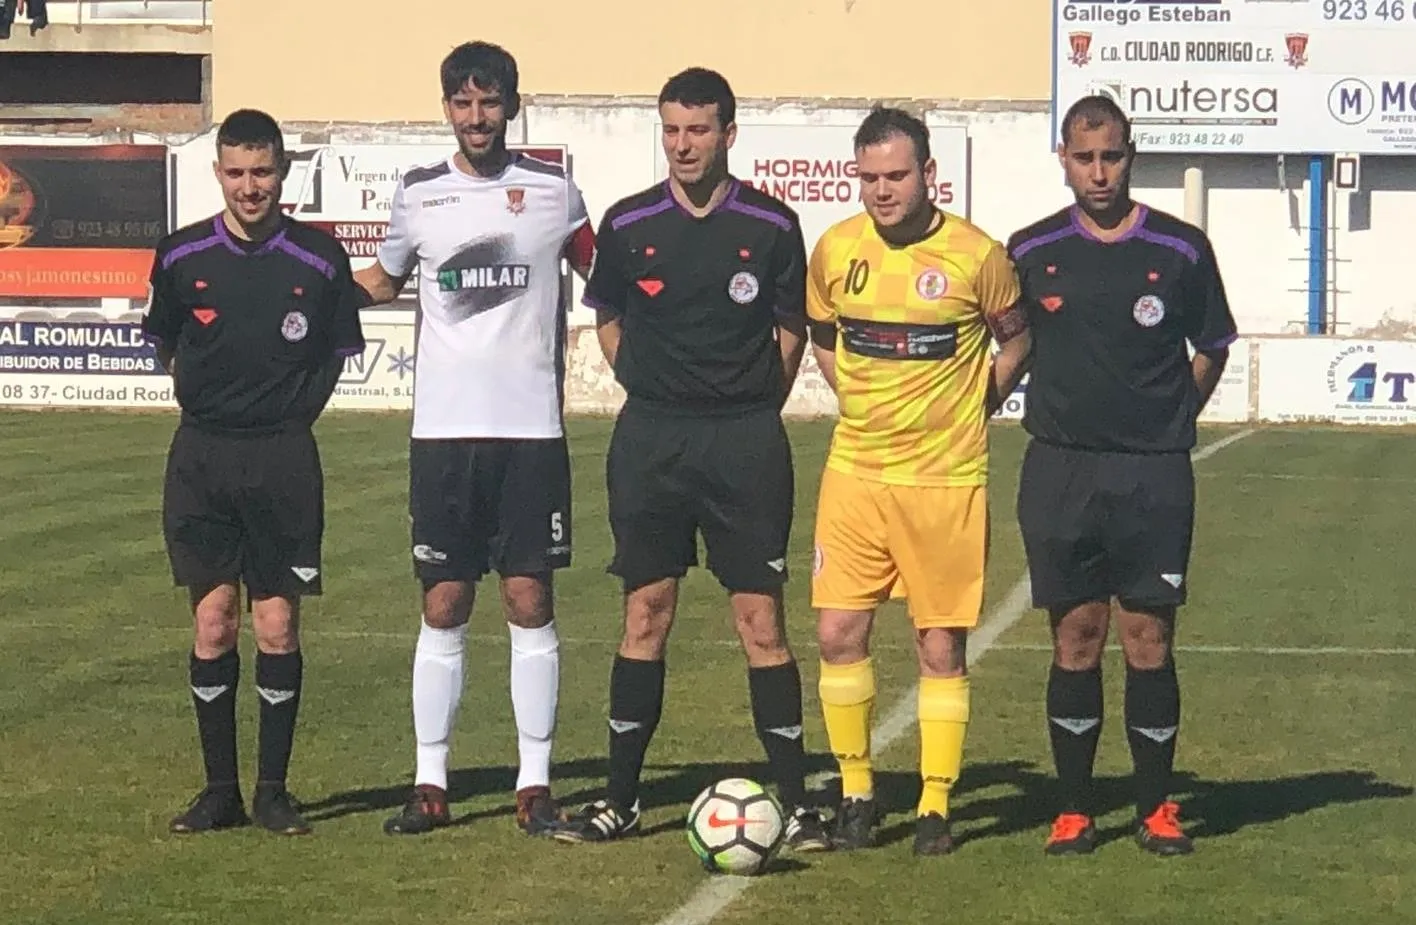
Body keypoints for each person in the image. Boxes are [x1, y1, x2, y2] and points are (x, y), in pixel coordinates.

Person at [550, 67, 830, 852]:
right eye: (671, 129)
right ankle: (620, 800)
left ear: (728, 135)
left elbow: (789, 333)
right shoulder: (629, 222)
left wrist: (747, 406)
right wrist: (644, 379)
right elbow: (606, 317)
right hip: (653, 441)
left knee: (760, 620)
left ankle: (798, 803)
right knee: (646, 612)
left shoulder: (772, 224)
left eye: (698, 130)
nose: (683, 145)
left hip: (745, 441)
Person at [354, 41, 596, 837]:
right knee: (444, 601)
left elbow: (616, 275)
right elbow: (381, 281)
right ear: (447, 108)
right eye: (462, 103)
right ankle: (431, 781)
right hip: (443, 436)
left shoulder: (555, 192)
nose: (476, 117)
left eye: (489, 103)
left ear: (512, 106)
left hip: (530, 433)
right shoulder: (419, 195)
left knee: (530, 600)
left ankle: (534, 782)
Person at [1007, 94, 1238, 857]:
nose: (1099, 172)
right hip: (1061, 469)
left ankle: (1156, 807)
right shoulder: (1030, 249)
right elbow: (1012, 346)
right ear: (1064, 159)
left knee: (1148, 636)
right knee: (1076, 636)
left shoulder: (1181, 249)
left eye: (1111, 156)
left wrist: (1171, 416)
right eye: (1084, 157)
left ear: (1131, 155)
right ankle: (1074, 809)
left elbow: (1211, 345)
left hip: (1152, 473)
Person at [804, 107, 1030, 856]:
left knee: (940, 646)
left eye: (895, 175)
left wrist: (980, 400)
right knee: (838, 631)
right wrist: (855, 401)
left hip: (945, 480)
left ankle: (935, 802)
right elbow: (824, 335)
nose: (881, 191)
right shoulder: (836, 249)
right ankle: (858, 793)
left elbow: (1018, 335)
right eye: (867, 178)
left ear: (928, 173)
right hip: (856, 473)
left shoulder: (976, 255)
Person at [143, 109, 367, 836]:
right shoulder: (181, 256)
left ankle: (273, 790)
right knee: (214, 621)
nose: (250, 187)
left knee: (276, 622)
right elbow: (166, 341)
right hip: (203, 454)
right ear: (218, 174)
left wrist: (286, 414)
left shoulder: (318, 259)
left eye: (262, 171)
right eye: (236, 173)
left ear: (282, 172)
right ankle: (218, 791)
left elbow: (336, 353)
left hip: (283, 457)